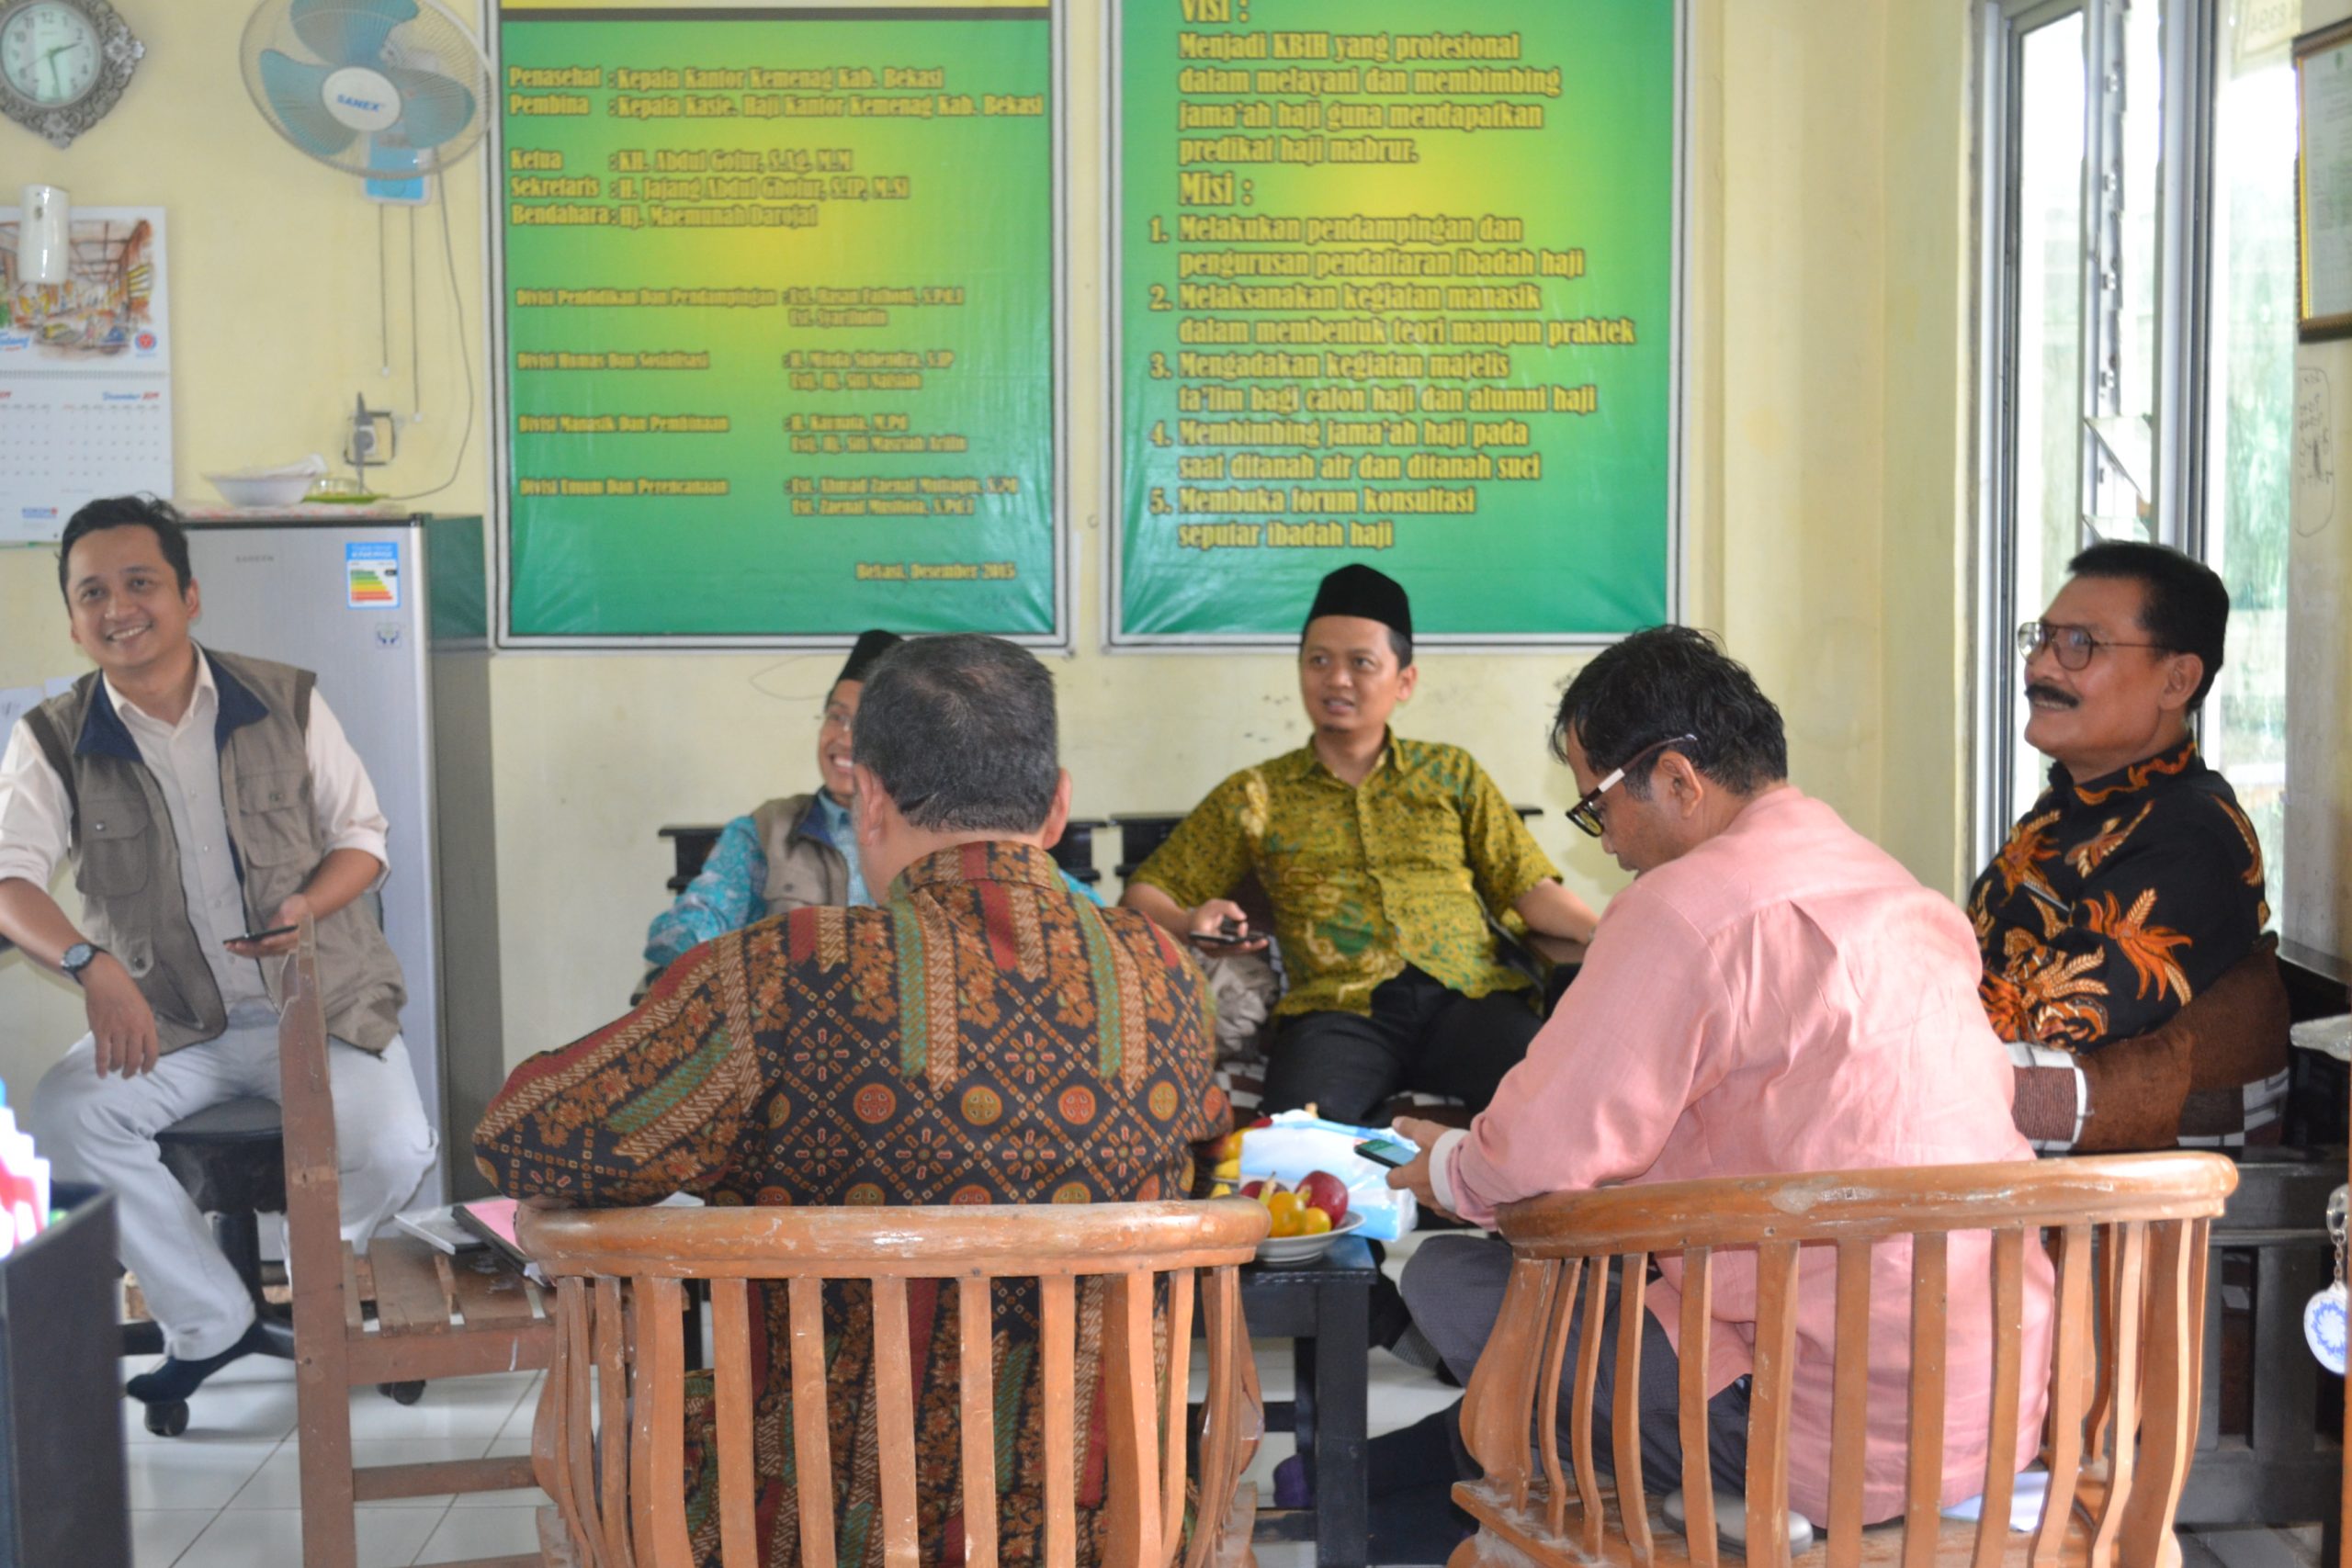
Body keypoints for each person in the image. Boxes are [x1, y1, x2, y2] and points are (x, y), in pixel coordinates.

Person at [475, 633, 1226, 1568]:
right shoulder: (1166, 977)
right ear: (1057, 805)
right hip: (1105, 1533)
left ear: (868, 797)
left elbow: (523, 1137)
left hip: (803, 1532)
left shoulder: (784, 973)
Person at [1369, 626, 2052, 1558]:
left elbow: (1528, 1163)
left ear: (1678, 779)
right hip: (1988, 1402)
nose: (1606, 840)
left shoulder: (1682, 908)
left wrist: (1443, 1163)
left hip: (1814, 1422)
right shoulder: (1892, 886)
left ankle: (1433, 1499)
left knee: (1449, 1280)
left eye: (1597, 806)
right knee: (1592, 1299)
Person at [0, 495, 435, 1406]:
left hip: (310, 1005)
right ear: (74, 622)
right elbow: (10, 878)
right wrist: (87, 963)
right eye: (92, 593)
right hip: (166, 1020)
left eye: (140, 583)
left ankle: (323, 1283)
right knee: (67, 1117)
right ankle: (210, 1318)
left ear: (189, 596)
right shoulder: (52, 738)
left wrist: (306, 905)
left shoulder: (284, 698)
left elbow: (364, 838)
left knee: (397, 1146)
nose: (119, 607)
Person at [1120, 564, 1599, 1125]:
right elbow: (1144, 894)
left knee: (1557, 1110)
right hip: (1339, 1015)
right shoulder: (1257, 794)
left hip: (1467, 1001)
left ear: (1404, 681)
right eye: (1318, 661)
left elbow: (1528, 888)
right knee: (1289, 1151)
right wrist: (1191, 919)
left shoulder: (1450, 773)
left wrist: (1606, 932)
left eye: (1361, 663)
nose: (1337, 680)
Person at [1973, 541, 2289, 1153]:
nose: (2039, 667)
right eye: (2042, 638)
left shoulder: (2193, 839)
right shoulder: (2071, 804)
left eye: (2080, 644)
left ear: (2177, 680)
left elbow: (2044, 1018)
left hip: (2119, 1194)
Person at [643, 628, 1103, 977]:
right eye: (836, 717)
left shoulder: (937, 824)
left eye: (862, 726)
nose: (844, 739)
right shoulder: (769, 830)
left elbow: (1083, 917)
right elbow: (685, 933)